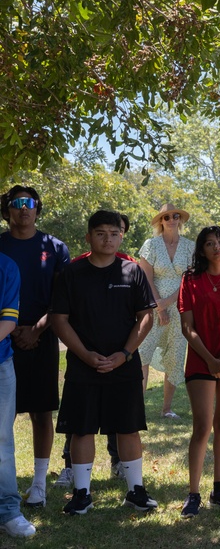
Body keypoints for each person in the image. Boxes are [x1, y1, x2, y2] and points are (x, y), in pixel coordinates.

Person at [50, 210, 159, 514]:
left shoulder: (132, 271)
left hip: (123, 364)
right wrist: (86, 355)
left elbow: (146, 317)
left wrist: (124, 354)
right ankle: (82, 494)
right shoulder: (72, 273)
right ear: (89, 237)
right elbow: (59, 320)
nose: (108, 239)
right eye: (100, 233)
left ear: (121, 236)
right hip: (83, 365)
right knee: (82, 430)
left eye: (114, 233)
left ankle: (135, 491)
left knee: (128, 427)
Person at [0, 186, 70, 508]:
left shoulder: (55, 248)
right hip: (3, 337)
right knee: (4, 417)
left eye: (29, 204)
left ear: (38, 209)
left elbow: (63, 299)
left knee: (41, 414)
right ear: (7, 210)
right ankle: (6, 484)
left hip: (43, 335)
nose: (23, 209)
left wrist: (39, 328)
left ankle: (38, 485)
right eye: (16, 204)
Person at [178, 226, 220, 518]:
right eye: (209, 243)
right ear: (201, 250)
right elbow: (187, 327)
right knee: (202, 427)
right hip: (200, 361)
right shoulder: (190, 280)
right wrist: (210, 359)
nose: (216, 247)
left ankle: (219, 490)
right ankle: (193, 494)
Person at [137, 203, 196, 419]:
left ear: (180, 220)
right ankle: (137, 408)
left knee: (175, 356)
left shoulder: (190, 247)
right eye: (167, 216)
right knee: (142, 353)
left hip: (180, 308)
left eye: (175, 216)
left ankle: (166, 409)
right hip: (152, 307)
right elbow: (145, 278)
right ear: (161, 221)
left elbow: (190, 280)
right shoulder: (150, 245)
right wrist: (158, 305)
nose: (171, 219)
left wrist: (169, 302)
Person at [0, 251, 37, 536]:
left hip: (1, 366)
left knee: (1, 441)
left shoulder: (6, 266)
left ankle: (8, 511)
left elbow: (9, 322)